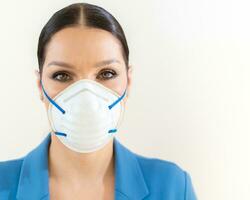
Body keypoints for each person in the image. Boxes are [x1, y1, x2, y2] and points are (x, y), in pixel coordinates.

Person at [0, 3, 197, 200]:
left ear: (128, 81)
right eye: (62, 76)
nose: (86, 96)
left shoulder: (173, 187)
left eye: (106, 73)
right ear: (39, 85)